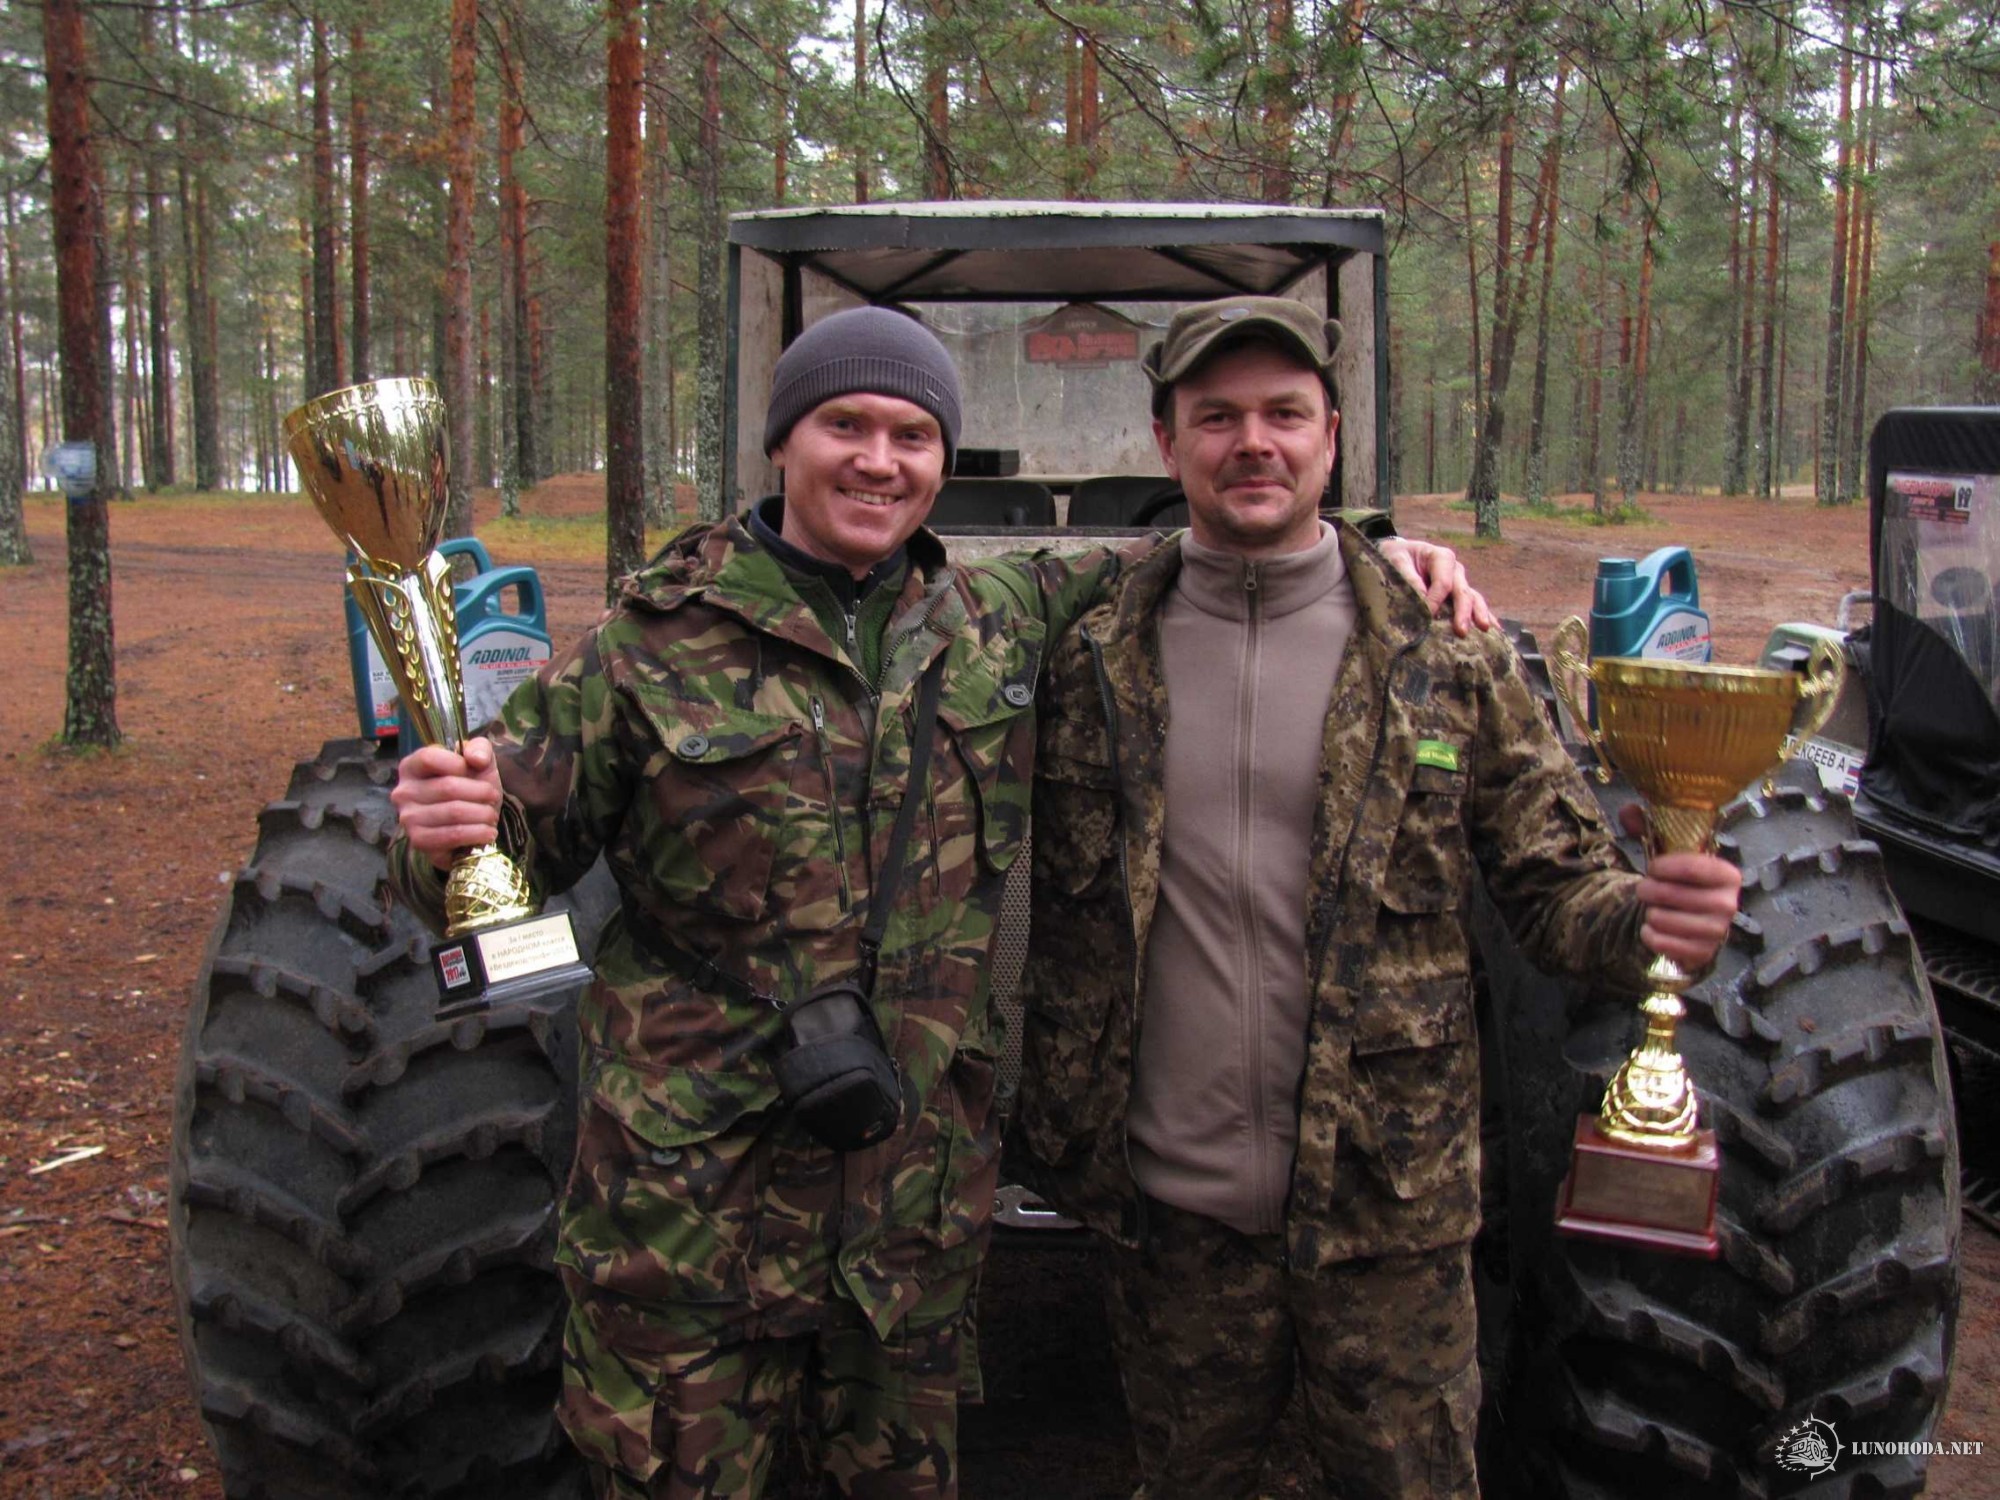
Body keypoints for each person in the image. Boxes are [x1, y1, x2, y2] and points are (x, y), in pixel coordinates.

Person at [386, 304, 1482, 1500]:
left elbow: (1218, 544)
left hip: (905, 1227)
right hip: (688, 1221)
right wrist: (448, 836)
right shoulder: (646, 644)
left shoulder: (996, 618)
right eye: (843, 426)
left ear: (942, 461)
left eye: (911, 436)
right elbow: (506, 864)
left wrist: (1381, 549)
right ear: (781, 442)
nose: (877, 461)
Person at [1012, 296, 1743, 1500]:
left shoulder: (1443, 650)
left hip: (1386, 1218)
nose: (1254, 442)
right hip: (1172, 1224)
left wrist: (1651, 925)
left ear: (1332, 436)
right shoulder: (1084, 650)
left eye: (1284, 414)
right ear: (1165, 443)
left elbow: (1555, 889)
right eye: (1217, 417)